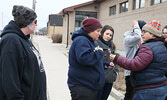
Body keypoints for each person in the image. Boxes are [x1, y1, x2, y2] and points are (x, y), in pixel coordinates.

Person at [110, 20, 167, 100]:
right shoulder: (161, 45)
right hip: (160, 87)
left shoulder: (148, 47)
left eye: (144, 32)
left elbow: (135, 65)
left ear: (152, 34)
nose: (141, 34)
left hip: (148, 90)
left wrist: (116, 58)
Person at [0, 5, 47, 100]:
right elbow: (10, 80)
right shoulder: (11, 41)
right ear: (27, 22)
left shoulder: (25, 39)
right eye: (35, 22)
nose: (36, 25)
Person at [67, 17, 105, 100]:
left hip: (88, 86)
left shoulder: (90, 41)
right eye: (98, 31)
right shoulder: (81, 40)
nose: (99, 34)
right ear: (90, 30)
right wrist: (99, 52)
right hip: (82, 86)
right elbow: (84, 58)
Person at [123, 20, 146, 100]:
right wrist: (136, 25)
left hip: (139, 71)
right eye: (142, 31)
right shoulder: (128, 38)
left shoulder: (141, 39)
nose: (143, 34)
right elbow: (137, 37)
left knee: (137, 95)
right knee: (130, 94)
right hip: (130, 72)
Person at [96, 25, 118, 100]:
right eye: (107, 34)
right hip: (99, 79)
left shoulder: (112, 46)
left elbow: (115, 61)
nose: (108, 36)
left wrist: (116, 72)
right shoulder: (96, 44)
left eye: (110, 35)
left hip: (109, 79)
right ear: (102, 33)